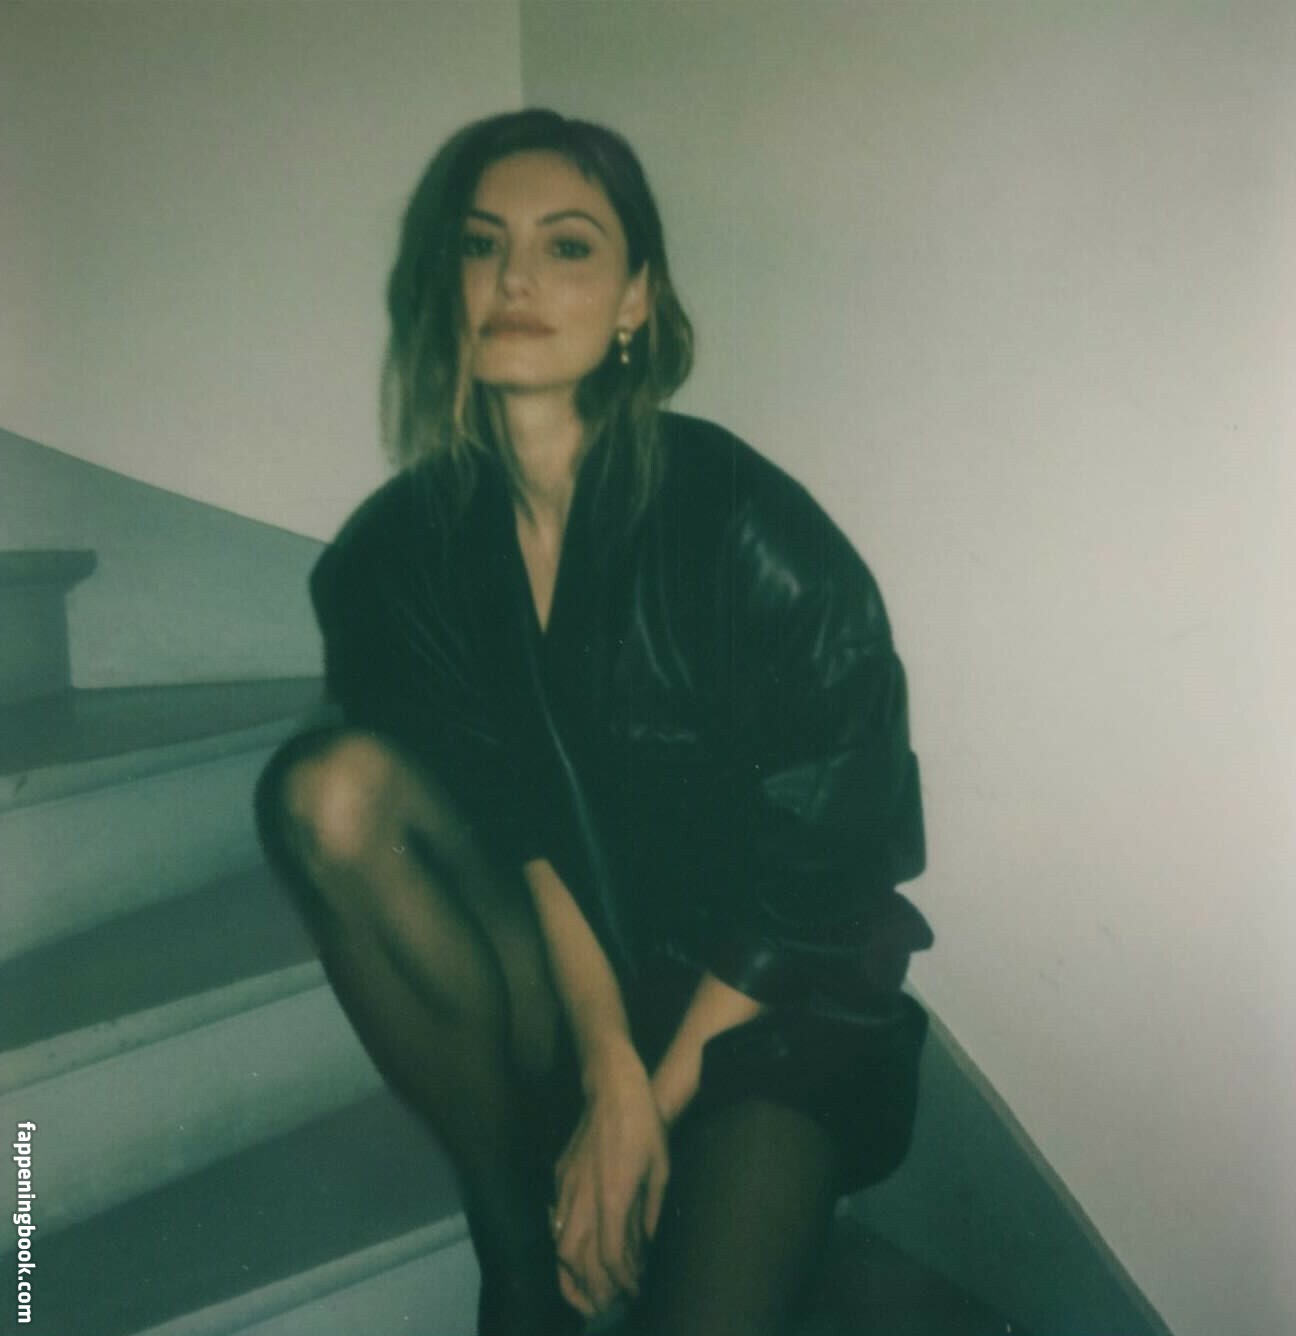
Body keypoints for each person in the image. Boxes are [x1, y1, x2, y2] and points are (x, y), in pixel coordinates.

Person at [255, 109, 933, 1336]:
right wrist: (609, 1054)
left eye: (566, 246)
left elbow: (824, 878)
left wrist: (646, 1101)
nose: (514, 277)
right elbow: (524, 831)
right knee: (327, 789)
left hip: (767, 1005)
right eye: (481, 245)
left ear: (635, 301)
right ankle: (509, 1230)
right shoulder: (401, 555)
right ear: (448, 289)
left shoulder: (745, 530)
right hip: (568, 973)